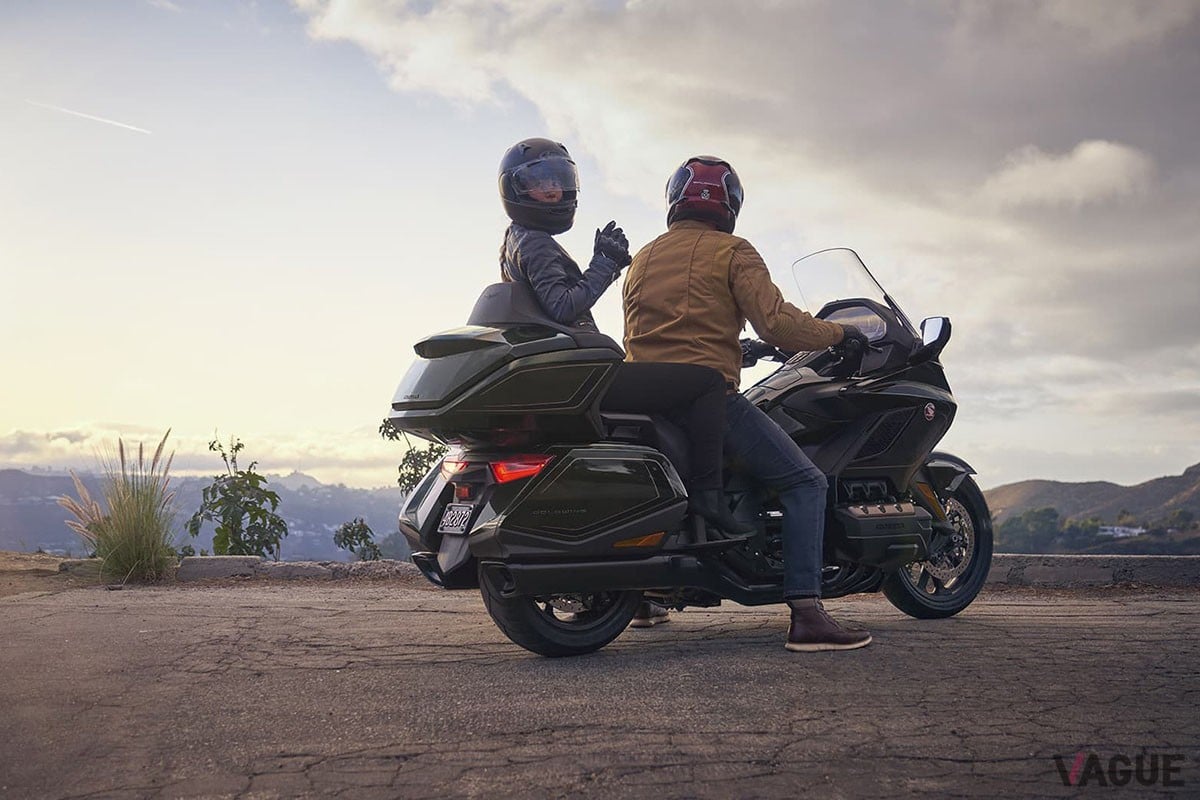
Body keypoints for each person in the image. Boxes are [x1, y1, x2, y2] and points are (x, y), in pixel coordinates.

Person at [622, 155, 873, 651]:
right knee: (805, 483)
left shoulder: (644, 259)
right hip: (706, 398)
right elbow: (778, 323)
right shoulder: (733, 251)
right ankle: (807, 613)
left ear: (675, 201)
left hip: (643, 399)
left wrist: (738, 349)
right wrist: (840, 332)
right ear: (731, 204)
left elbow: (661, 333)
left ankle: (646, 596)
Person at [497, 138, 750, 568]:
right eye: (541, 184)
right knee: (706, 383)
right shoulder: (535, 242)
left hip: (561, 369)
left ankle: (649, 579)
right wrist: (604, 266)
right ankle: (709, 496)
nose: (554, 192)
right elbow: (562, 305)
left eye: (559, 182)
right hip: (581, 374)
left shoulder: (515, 239)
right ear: (515, 190)